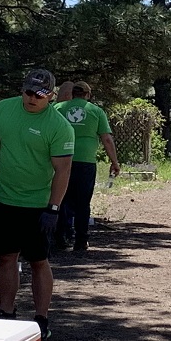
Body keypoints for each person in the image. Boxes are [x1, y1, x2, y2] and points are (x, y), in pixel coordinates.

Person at [0, 69, 74, 339]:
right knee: (6, 257)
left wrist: (53, 208)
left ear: (51, 96)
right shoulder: (4, 109)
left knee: (38, 260)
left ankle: (41, 318)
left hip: (37, 204)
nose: (32, 99)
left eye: (40, 95)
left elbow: (63, 170)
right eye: (28, 92)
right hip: (4, 199)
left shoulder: (58, 125)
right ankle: (6, 311)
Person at [54, 81, 121, 252]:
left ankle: (60, 237)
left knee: (59, 199)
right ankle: (81, 240)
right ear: (88, 95)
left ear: (72, 93)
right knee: (83, 202)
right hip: (86, 162)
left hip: (61, 159)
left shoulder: (58, 108)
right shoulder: (96, 111)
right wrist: (114, 161)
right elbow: (106, 139)